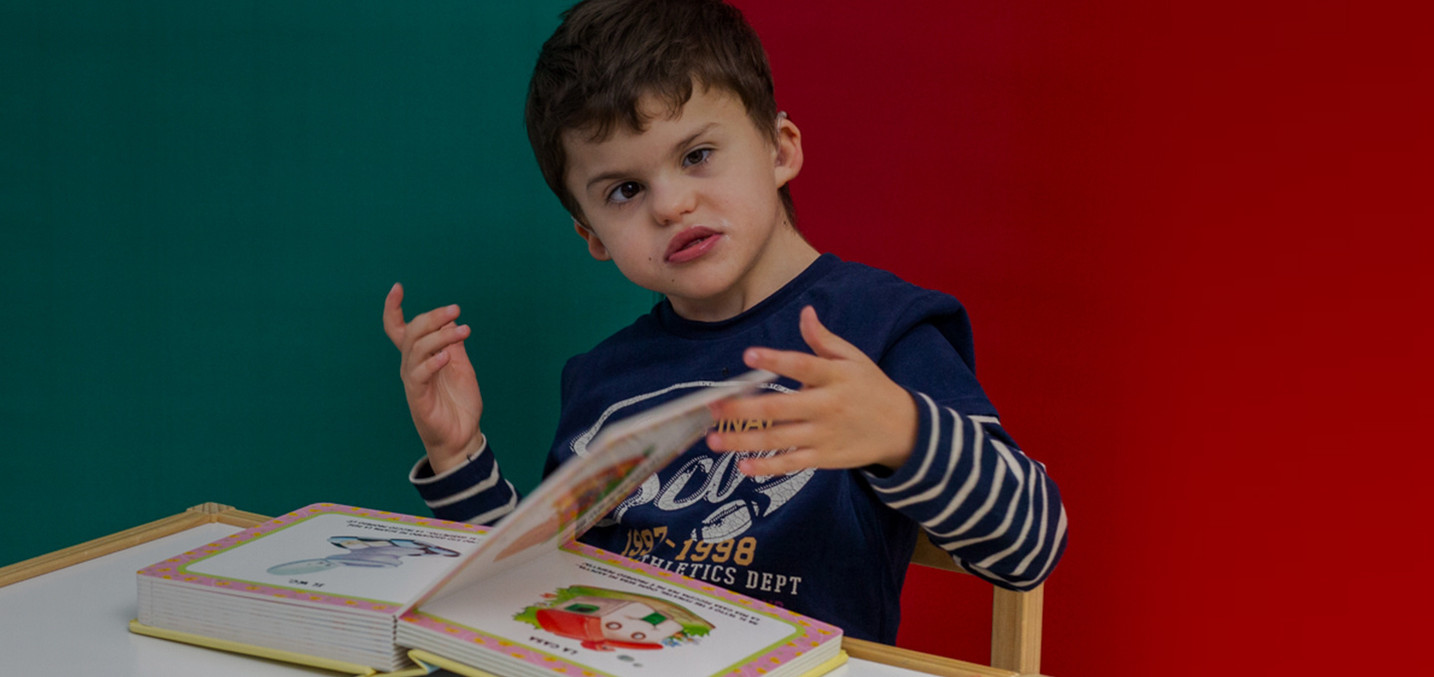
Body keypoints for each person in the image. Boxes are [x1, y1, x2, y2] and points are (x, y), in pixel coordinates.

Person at [381, 0, 1065, 643]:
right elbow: (532, 602)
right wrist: (459, 455)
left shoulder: (878, 326)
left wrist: (901, 431)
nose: (672, 204)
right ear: (592, 235)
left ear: (780, 148)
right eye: (625, 190)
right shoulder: (602, 380)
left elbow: (1032, 544)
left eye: (697, 155)